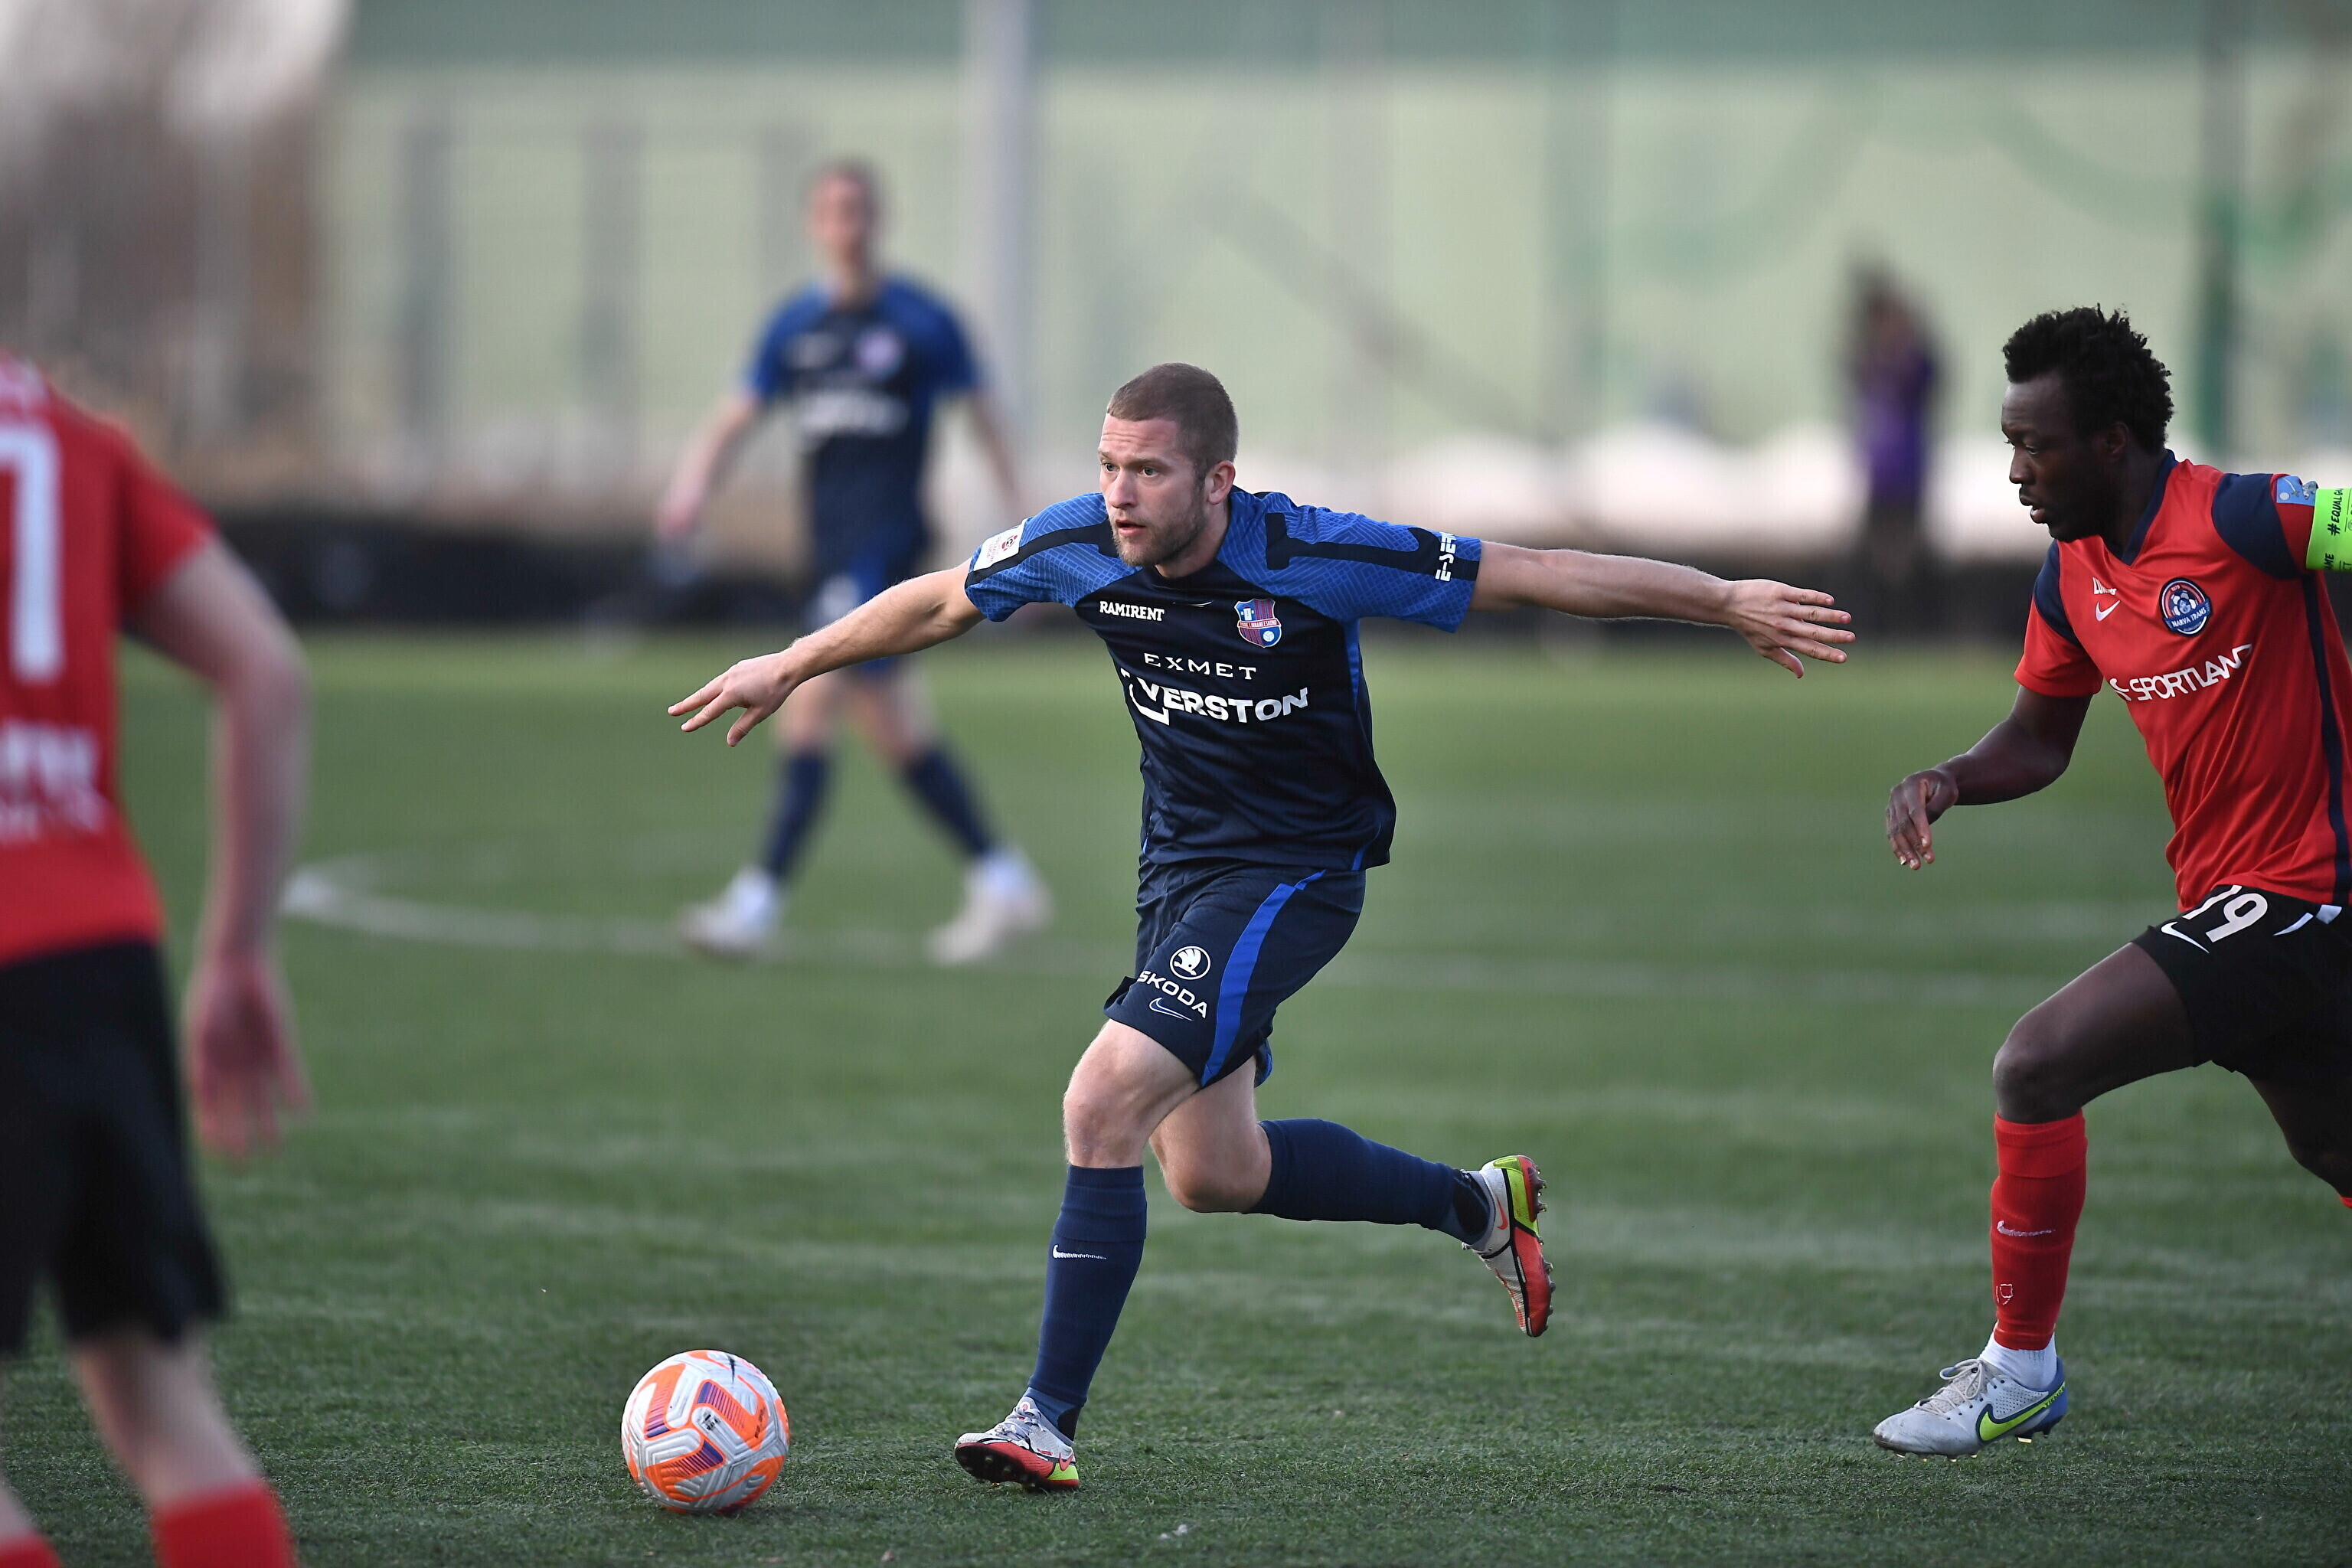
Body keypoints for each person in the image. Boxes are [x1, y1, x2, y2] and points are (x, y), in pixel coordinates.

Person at [672, 361, 1853, 1490]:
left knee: (1100, 1102)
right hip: (1178, 880)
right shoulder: (1080, 543)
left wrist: (1724, 601)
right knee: (1213, 1171)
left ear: (1218, 481)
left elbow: (1536, 571)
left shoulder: (1313, 554)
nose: (1121, 494)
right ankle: (1480, 1206)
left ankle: (1044, 1422)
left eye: (1149, 471)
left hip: (1296, 874)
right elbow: (940, 601)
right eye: (1109, 467)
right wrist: (797, 661)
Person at [1877, 305, 2352, 1457]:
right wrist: (1948, 778)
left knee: (2037, 1063)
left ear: (2112, 441)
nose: (2015, 472)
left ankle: (2019, 1371)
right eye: (2009, 443)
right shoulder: (2074, 574)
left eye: (2034, 445)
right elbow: (2040, 739)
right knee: (2336, 1148)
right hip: (2235, 902)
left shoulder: (2247, 517)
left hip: (2309, 892)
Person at [0, 353, 310, 1566]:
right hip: (100, 954)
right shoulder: (68, 435)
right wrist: (236, 949)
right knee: (160, 1396)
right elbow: (266, 670)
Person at [657, 158, 1048, 965]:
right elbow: (738, 415)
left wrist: (1025, 517)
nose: (848, 224)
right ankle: (1002, 877)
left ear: (880, 219)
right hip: (828, 547)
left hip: (888, 546)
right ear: (815, 224)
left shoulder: (923, 321)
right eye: (834, 210)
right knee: (895, 729)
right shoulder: (794, 327)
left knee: (807, 698)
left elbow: (985, 416)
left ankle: (756, 904)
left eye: (859, 209)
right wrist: (692, 486)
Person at [1847, 269, 1940, 635]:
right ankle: (1880, 626)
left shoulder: (1913, 361)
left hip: (1907, 469)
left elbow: (1924, 377)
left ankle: (1910, 626)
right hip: (1880, 470)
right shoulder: (1874, 360)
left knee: (1908, 552)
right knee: (1875, 552)